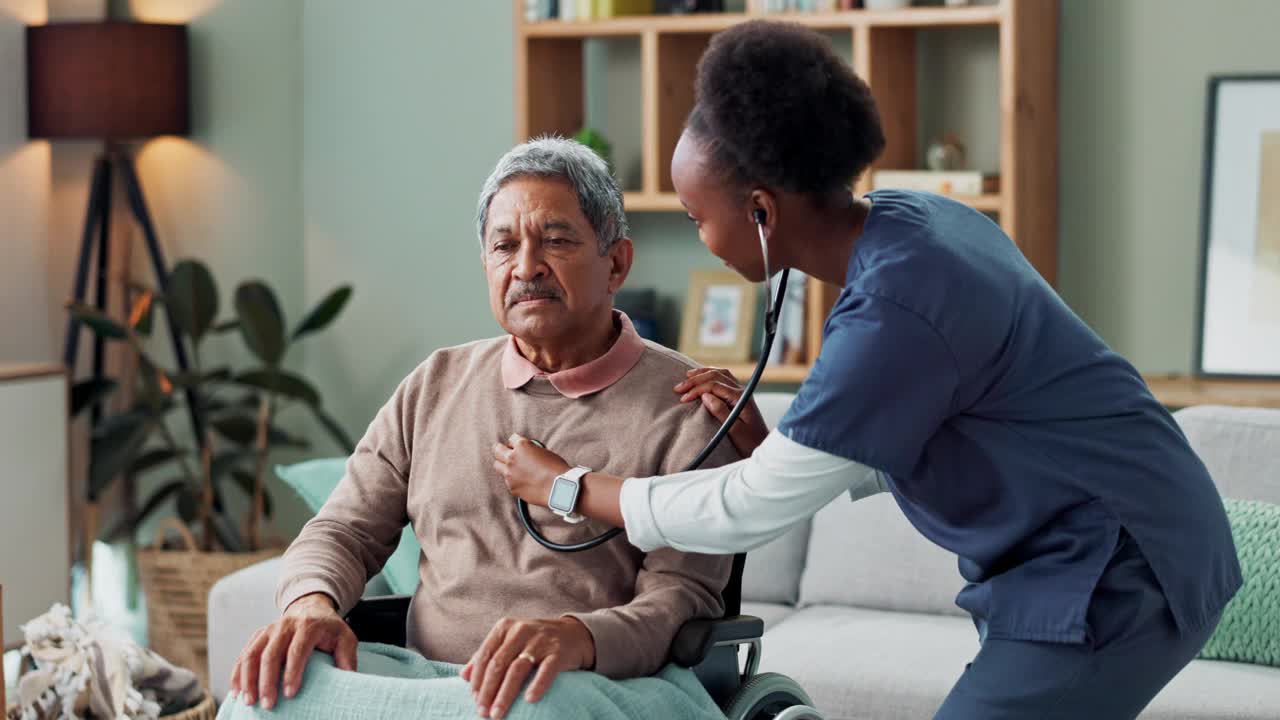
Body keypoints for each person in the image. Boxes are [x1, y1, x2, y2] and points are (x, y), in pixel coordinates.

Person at [494, 20, 1242, 720]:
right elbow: (964, 412)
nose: (699, 237)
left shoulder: (894, 308)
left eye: (696, 216)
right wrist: (787, 449)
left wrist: (570, 487)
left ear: (761, 211)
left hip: (1120, 566)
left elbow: (747, 509)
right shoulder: (914, 221)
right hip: (1119, 538)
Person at [226, 138, 738, 720]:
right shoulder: (435, 383)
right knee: (263, 693)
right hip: (427, 682)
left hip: (592, 682)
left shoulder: (692, 404)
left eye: (556, 239)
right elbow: (343, 530)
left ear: (616, 262)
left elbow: (682, 598)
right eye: (505, 245)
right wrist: (310, 606)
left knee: (533, 710)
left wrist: (578, 638)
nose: (526, 267)